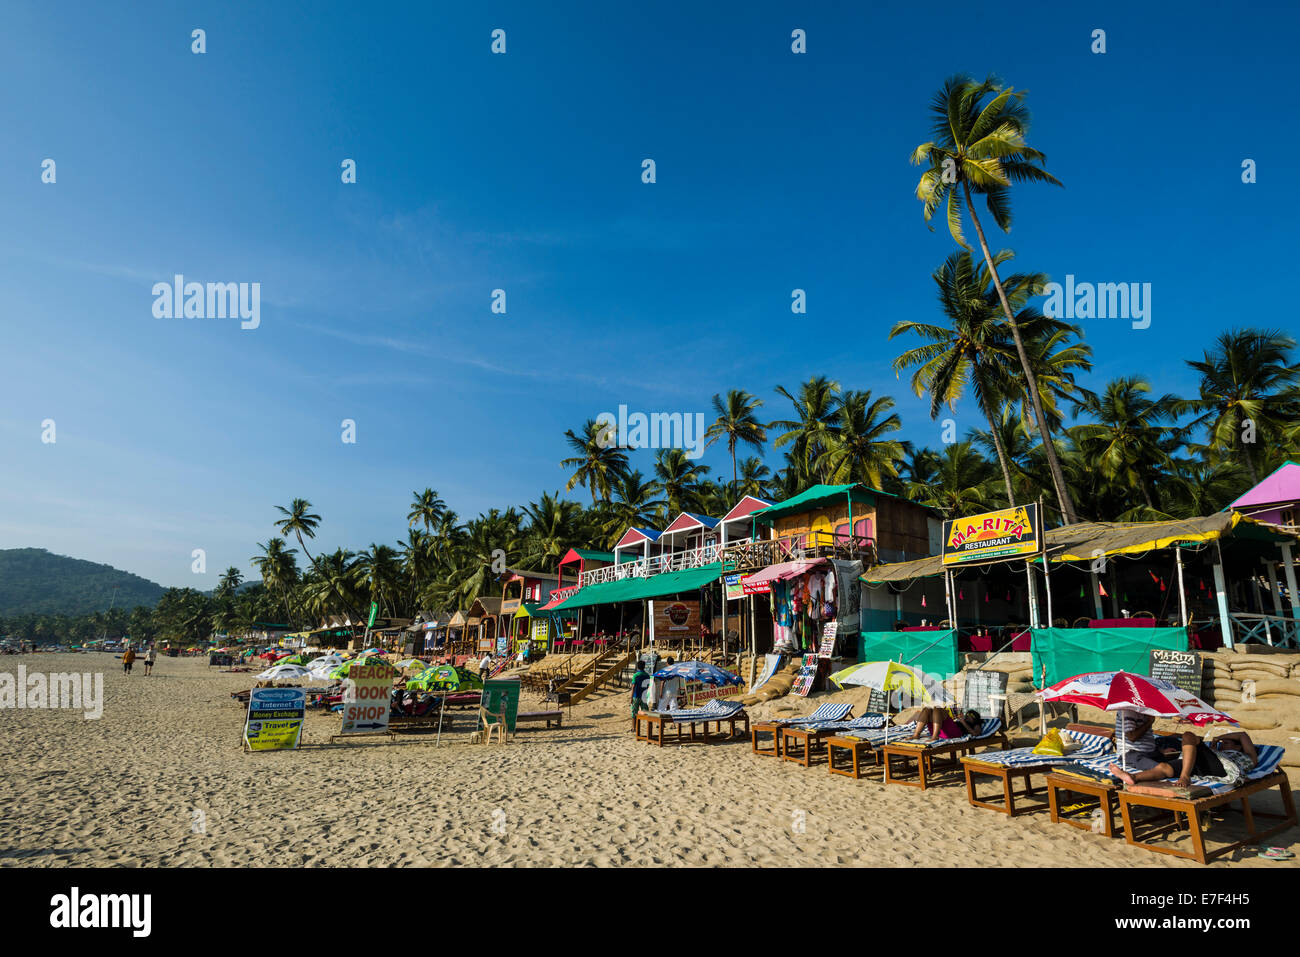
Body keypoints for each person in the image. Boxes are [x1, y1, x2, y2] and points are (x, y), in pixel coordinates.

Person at [1111, 729, 1258, 788]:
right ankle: (1133, 777)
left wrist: (1219, 737)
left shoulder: (1247, 757)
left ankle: (1185, 776)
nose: (1222, 745)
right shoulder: (1215, 752)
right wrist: (1215, 746)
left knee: (1188, 735)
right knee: (1165, 767)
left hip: (1222, 769)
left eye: (1226, 743)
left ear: (1238, 747)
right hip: (1202, 765)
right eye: (1222, 743)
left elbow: (1243, 735)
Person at [909, 706, 982, 740]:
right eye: (968, 714)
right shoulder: (962, 720)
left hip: (954, 733)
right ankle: (916, 734)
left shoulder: (976, 724)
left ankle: (935, 736)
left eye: (971, 715)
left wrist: (963, 722)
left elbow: (976, 733)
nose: (968, 715)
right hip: (941, 730)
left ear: (976, 719)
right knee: (927, 708)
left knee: (937, 708)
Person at [631, 659, 651, 727]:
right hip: (644, 697)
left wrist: (631, 698)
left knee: (634, 713)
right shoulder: (647, 675)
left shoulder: (635, 675)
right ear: (644, 667)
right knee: (646, 712)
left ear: (637, 667)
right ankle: (648, 727)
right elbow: (648, 686)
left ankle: (634, 727)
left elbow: (633, 687)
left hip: (636, 696)